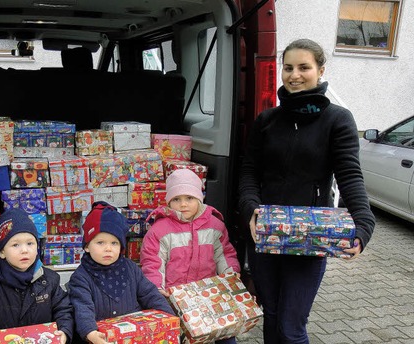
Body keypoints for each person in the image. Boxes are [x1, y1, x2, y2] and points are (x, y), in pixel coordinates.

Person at [238, 38, 375, 344]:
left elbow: (350, 175)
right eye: (288, 68)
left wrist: (364, 225)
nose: (294, 75)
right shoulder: (267, 120)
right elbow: (249, 171)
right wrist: (250, 208)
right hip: (265, 233)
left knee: (291, 326)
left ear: (320, 70)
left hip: (310, 238)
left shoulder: (337, 119)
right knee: (271, 315)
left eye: (304, 67)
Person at [140, 168, 241, 344]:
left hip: (209, 295)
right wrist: (156, 286)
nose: (183, 204)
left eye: (189, 198)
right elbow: (152, 261)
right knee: (180, 335)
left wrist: (230, 275)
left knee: (225, 334)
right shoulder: (160, 230)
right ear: (169, 202)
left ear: (200, 198)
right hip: (175, 297)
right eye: (176, 199)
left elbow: (224, 254)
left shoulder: (215, 226)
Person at [0, 208, 73, 344]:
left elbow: (64, 310)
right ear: (2, 252)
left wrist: (64, 331)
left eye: (30, 243)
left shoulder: (50, 280)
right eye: (15, 244)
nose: (24, 250)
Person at [68, 201, 175, 344]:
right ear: (87, 247)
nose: (108, 248)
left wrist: (169, 317)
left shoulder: (130, 268)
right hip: (100, 338)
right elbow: (82, 308)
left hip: (135, 336)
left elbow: (150, 294)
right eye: (100, 243)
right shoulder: (81, 278)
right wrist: (90, 332)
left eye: (114, 243)